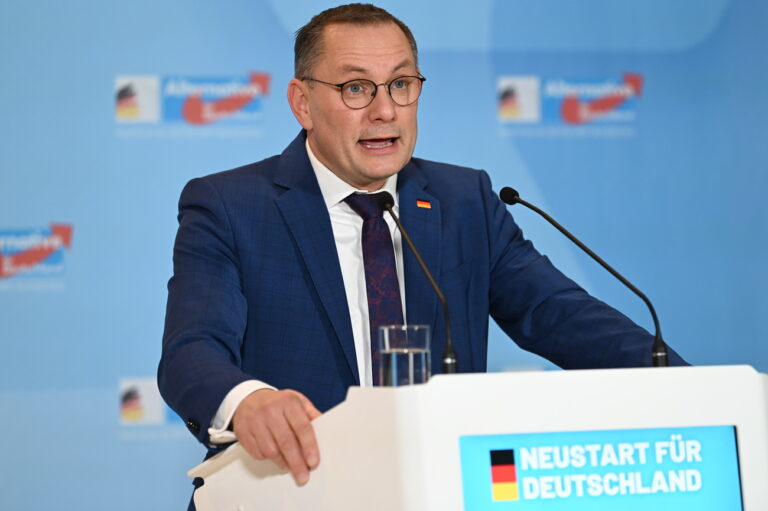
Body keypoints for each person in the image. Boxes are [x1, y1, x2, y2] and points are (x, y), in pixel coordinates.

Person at [158, 2, 687, 500]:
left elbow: (559, 314)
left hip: (438, 493)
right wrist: (249, 401)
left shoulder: (463, 201)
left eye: (402, 84)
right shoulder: (231, 206)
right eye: (356, 88)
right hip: (292, 493)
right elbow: (192, 352)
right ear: (303, 103)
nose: (385, 111)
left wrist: (693, 388)